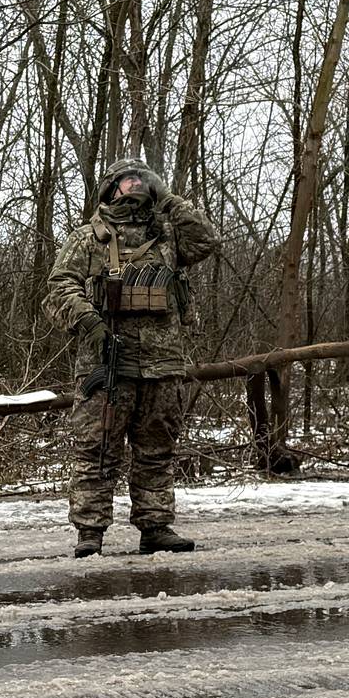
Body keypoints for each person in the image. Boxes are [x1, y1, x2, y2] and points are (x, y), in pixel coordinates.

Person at [45, 158, 218, 558]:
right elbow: (58, 288)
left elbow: (207, 240)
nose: (135, 184)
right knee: (97, 450)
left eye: (141, 178)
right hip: (105, 363)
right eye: (126, 179)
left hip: (162, 364)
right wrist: (89, 321)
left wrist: (170, 199)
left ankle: (156, 526)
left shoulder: (169, 235)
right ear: (109, 189)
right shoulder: (89, 238)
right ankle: (90, 533)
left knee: (157, 449)